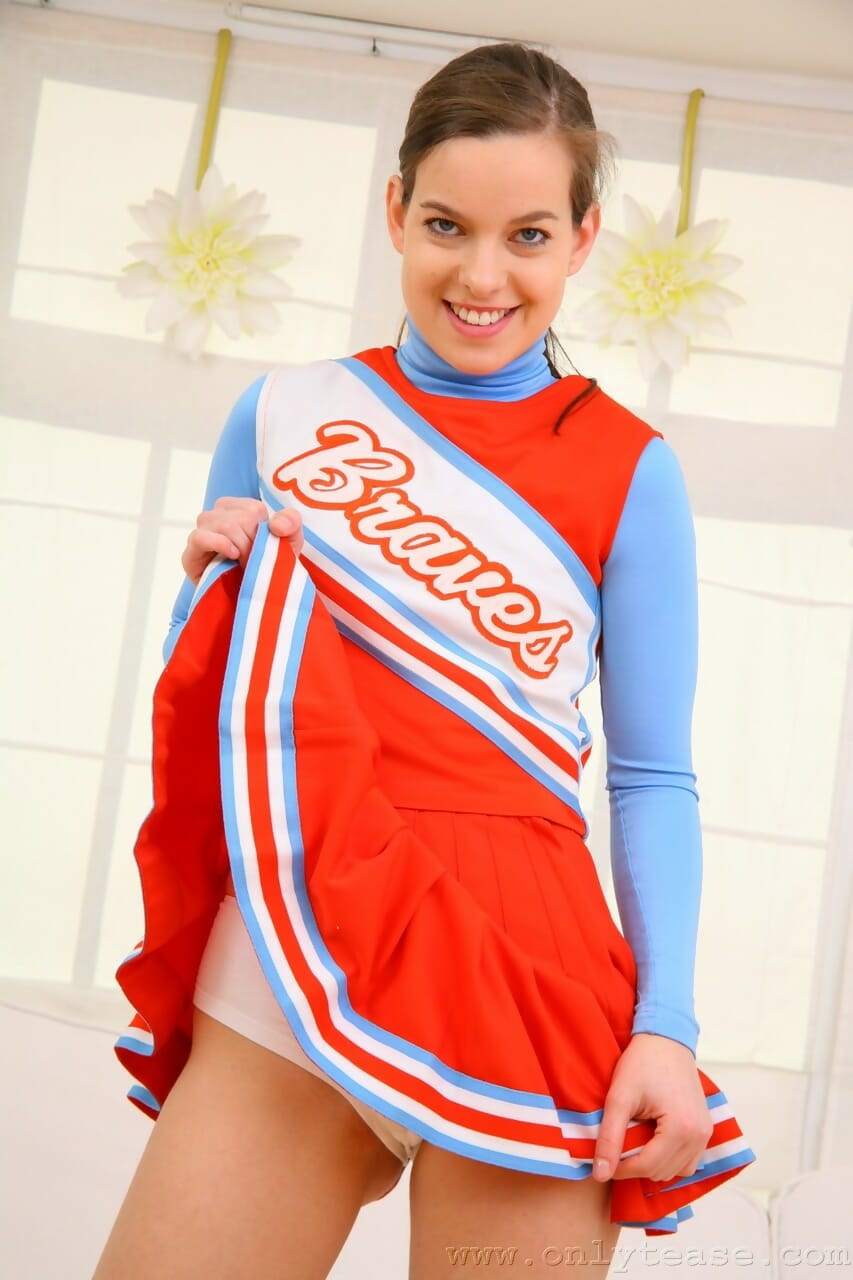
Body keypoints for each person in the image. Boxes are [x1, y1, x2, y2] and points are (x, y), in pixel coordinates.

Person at [98, 41, 756, 1280]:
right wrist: (202, 590)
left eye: (528, 235)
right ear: (395, 208)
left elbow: (651, 775)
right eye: (447, 224)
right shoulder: (282, 413)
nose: (481, 275)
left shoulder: (631, 469)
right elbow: (232, 715)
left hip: (532, 972)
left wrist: (665, 1022)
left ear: (582, 239)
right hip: (301, 940)